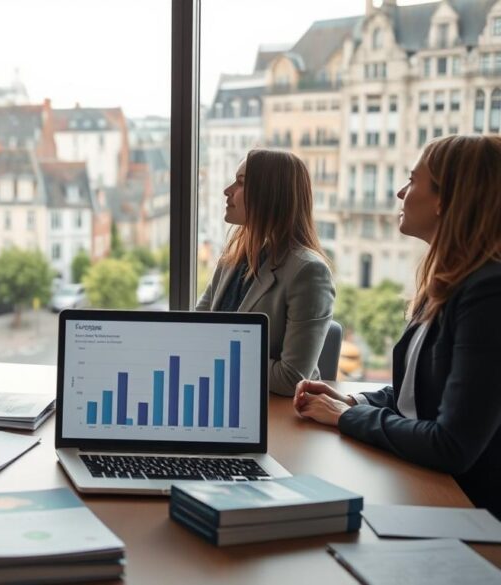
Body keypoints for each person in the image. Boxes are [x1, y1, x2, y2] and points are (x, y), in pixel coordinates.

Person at [295, 135, 501, 518]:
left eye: (412, 180)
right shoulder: (446, 283)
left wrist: (345, 417)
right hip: (423, 489)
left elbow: (451, 443)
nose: (400, 192)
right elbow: (420, 399)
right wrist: (354, 400)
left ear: (444, 199)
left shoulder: (489, 293)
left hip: (466, 510)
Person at [196, 149, 335, 396]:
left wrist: (217, 358)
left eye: (240, 183)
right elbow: (195, 330)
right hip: (225, 397)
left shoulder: (308, 272)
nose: (227, 191)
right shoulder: (233, 257)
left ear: (269, 195)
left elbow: (291, 378)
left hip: (276, 413)